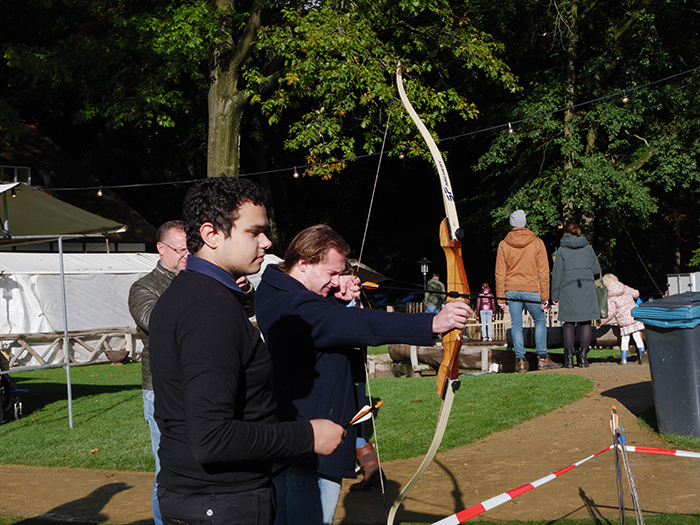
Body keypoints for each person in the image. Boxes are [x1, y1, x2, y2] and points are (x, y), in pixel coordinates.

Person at [148, 178, 345, 525]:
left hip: (202, 498)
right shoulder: (209, 308)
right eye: (254, 232)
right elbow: (211, 438)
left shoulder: (189, 293)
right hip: (221, 505)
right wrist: (307, 434)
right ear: (211, 234)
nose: (267, 242)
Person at [255, 224, 472, 525]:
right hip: (311, 446)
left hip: (291, 437)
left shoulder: (274, 287)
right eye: (331, 274)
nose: (336, 281)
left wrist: (335, 296)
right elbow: (358, 325)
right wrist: (432, 324)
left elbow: (326, 321)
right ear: (303, 263)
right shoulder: (297, 307)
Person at [128, 220, 188, 525]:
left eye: (190, 248)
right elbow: (157, 323)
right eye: (180, 249)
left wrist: (242, 289)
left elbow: (246, 307)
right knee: (168, 468)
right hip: (160, 389)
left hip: (198, 385)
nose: (186, 255)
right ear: (161, 249)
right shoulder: (144, 287)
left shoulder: (196, 279)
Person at [495, 210, 561, 373]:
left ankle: (521, 361)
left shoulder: (503, 244)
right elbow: (544, 272)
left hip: (511, 288)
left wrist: (500, 298)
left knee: (516, 325)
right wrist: (545, 296)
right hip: (531, 288)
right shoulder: (537, 243)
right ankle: (542, 358)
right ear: (524, 223)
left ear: (512, 223)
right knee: (539, 321)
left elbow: (499, 273)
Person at [551, 221, 602, 369]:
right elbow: (596, 270)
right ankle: (584, 360)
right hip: (586, 288)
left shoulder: (561, 250)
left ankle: (569, 361)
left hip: (568, 289)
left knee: (569, 323)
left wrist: (555, 295)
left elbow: (557, 275)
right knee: (586, 322)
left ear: (565, 233)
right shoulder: (588, 248)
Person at [600, 273, 646, 365]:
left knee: (625, 340)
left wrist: (601, 321)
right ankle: (642, 357)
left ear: (605, 285)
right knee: (637, 337)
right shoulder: (624, 288)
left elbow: (611, 313)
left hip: (624, 322)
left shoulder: (610, 297)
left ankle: (624, 360)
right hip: (634, 318)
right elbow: (636, 293)